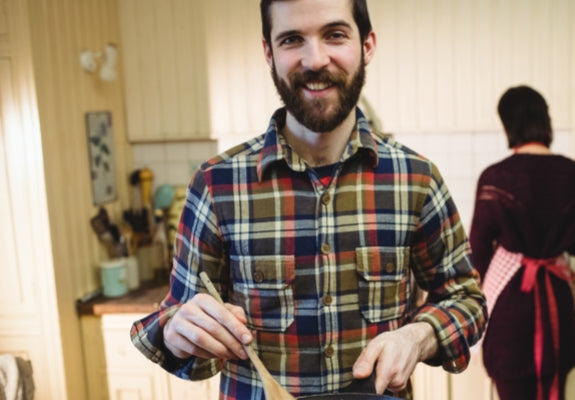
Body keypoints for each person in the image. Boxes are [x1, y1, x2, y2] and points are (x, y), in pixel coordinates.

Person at [129, 0, 486, 398]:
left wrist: (417, 337)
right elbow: (177, 318)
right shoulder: (216, 184)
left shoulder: (416, 179)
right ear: (269, 52)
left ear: (367, 45)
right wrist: (179, 331)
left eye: (335, 35)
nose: (315, 60)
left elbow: (466, 300)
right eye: (292, 39)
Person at [469, 85, 575, 400]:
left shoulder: (495, 177)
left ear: (508, 126)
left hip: (509, 312)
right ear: (545, 121)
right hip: (557, 305)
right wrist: (558, 246)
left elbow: (477, 254)